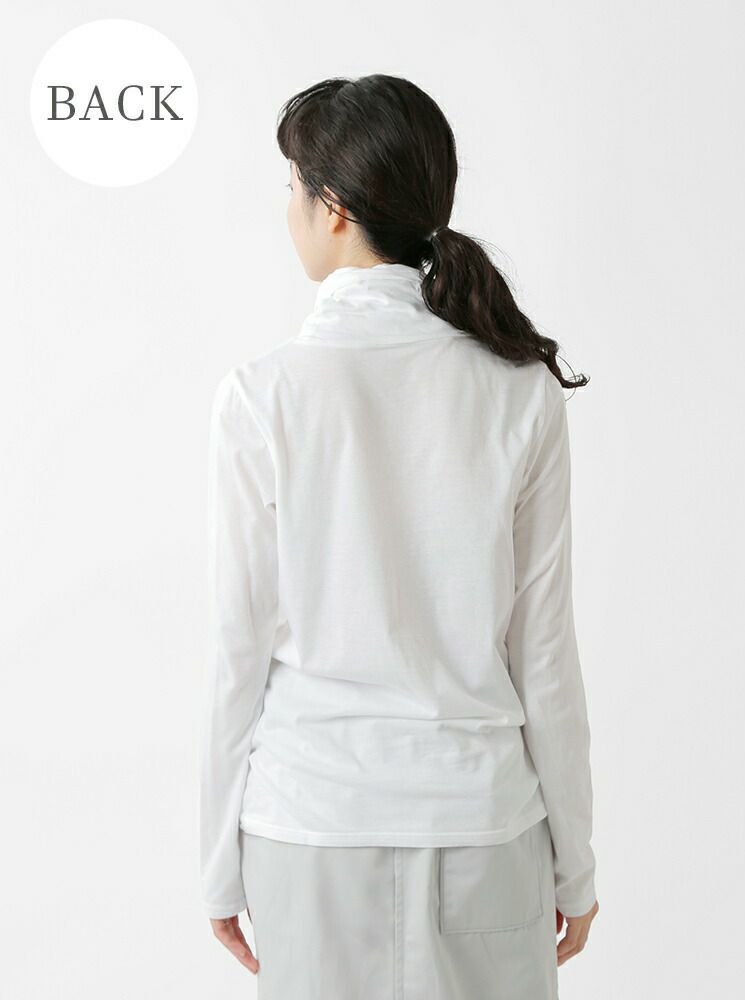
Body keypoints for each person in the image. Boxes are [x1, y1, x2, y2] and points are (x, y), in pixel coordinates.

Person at [198, 73, 599, 999]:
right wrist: (575, 861)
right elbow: (543, 653)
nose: (288, 209)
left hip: (310, 828)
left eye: (293, 187)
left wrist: (217, 864)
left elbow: (236, 652)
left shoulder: (262, 397)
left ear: (334, 207)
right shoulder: (520, 392)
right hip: (485, 828)